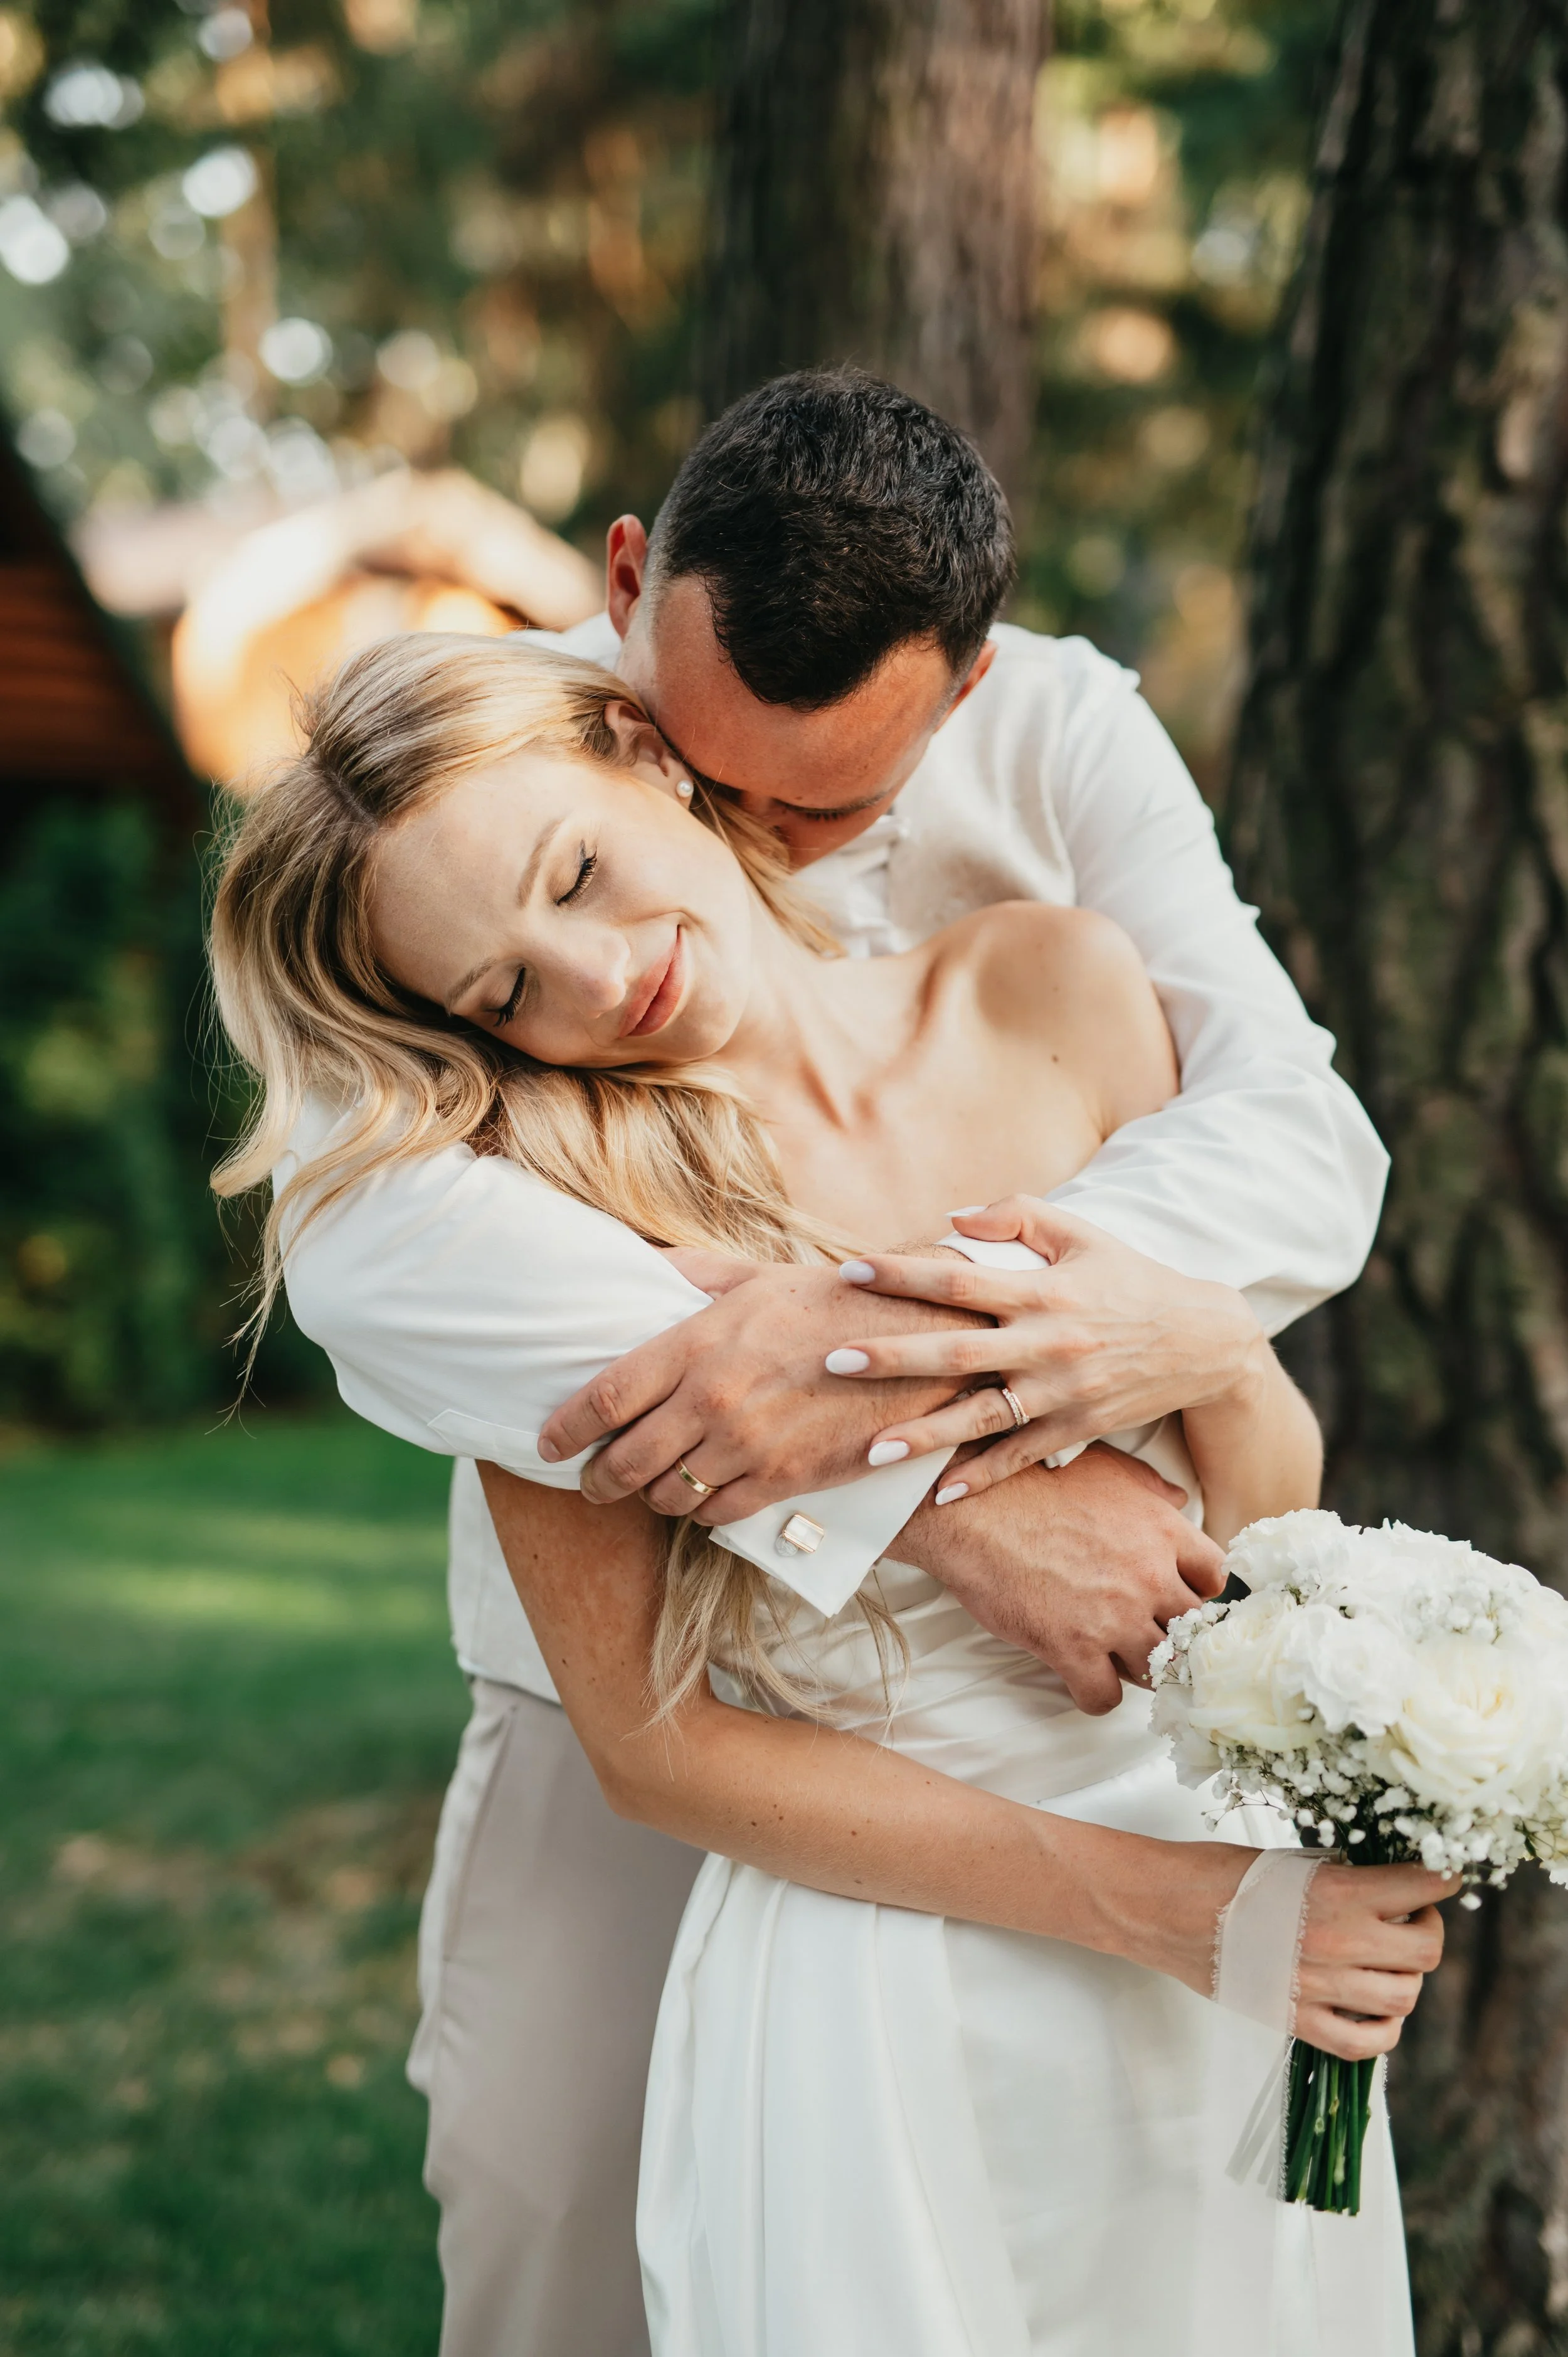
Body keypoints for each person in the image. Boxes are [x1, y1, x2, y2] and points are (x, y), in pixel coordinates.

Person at [265, 373, 1390, 2354]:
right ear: (630, 664)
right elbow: (372, 1245)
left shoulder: (1053, 850)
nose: (610, 975)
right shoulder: (488, 881)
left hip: (1145, 1767)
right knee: (550, 2226)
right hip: (755, 1783)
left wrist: (1114, 1321)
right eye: (516, 985)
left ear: (962, 688)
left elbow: (1291, 1159)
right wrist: (912, 1451)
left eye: (834, 797)